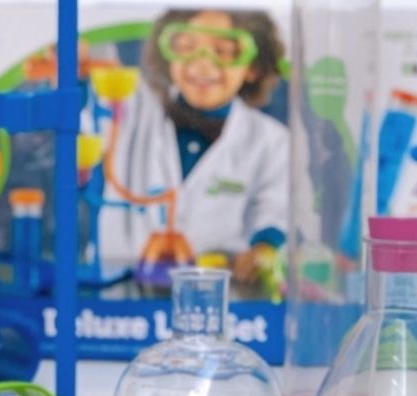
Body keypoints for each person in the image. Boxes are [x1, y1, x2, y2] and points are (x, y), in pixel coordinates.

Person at [99, 9, 288, 291]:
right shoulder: (132, 111)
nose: (202, 63)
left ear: (253, 67)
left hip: (222, 294)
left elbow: (274, 207)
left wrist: (264, 247)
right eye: (187, 47)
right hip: (122, 295)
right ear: (168, 57)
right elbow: (93, 97)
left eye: (223, 51)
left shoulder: (271, 140)